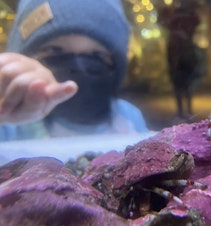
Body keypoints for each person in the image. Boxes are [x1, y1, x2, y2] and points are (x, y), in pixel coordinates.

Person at [0, 0, 148, 141]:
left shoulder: (130, 117)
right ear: (22, 58)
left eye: (97, 55)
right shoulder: (8, 120)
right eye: (54, 52)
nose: (79, 67)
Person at [159, 3, 205, 119]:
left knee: (181, 84)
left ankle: (183, 111)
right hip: (183, 54)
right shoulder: (182, 15)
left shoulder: (178, 15)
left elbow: (163, 22)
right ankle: (185, 110)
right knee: (183, 84)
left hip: (182, 54)